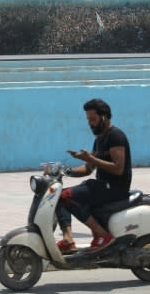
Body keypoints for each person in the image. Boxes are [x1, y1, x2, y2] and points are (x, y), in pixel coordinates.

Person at [55, 98, 132, 253]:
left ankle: (103, 236)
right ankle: (68, 240)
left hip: (116, 188)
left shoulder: (115, 136)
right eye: (88, 120)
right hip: (102, 186)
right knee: (58, 196)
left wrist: (91, 158)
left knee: (67, 196)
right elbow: (89, 169)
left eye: (93, 119)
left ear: (104, 117)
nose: (90, 123)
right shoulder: (99, 140)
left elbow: (119, 169)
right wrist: (65, 171)